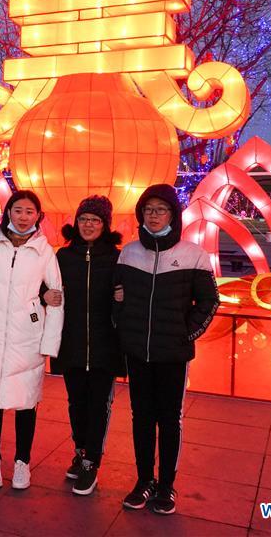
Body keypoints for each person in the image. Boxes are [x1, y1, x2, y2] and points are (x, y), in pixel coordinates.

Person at [114, 184, 219, 515]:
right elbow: (116, 296)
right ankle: (143, 480)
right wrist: (122, 324)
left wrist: (187, 334)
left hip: (172, 354)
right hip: (138, 353)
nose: (154, 215)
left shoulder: (193, 254)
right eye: (148, 210)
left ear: (173, 214)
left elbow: (209, 300)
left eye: (161, 210)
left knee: (169, 420)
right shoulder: (129, 253)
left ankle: (166, 485)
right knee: (141, 418)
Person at [0, 190, 64, 490]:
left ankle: (22, 463)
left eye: (29, 212)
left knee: (25, 405)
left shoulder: (44, 251)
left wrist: (49, 345)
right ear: (9, 212)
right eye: (18, 210)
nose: (23, 217)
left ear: (38, 216)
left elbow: (57, 297)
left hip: (27, 337)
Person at [43, 195, 124, 496]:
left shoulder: (117, 258)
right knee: (76, 402)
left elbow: (128, 294)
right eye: (84, 219)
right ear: (76, 223)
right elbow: (44, 288)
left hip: (105, 346)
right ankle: (80, 450)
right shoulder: (63, 258)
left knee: (99, 405)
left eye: (95, 220)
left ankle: (92, 461)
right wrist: (45, 296)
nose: (88, 224)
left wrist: (122, 298)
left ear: (105, 225)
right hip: (72, 342)